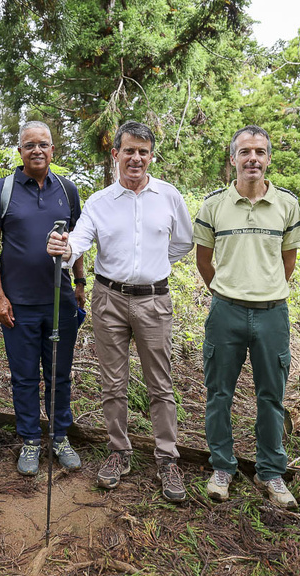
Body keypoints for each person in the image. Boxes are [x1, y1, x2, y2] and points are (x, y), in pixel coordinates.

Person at [47, 121, 194, 502]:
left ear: (151, 156)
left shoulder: (169, 196)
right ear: (116, 154)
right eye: (129, 150)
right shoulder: (100, 201)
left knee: (161, 384)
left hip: (154, 300)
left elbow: (183, 243)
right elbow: (78, 241)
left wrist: (153, 266)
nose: (136, 158)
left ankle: (167, 458)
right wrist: (65, 249)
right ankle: (119, 451)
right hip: (108, 299)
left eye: (143, 152)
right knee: (113, 383)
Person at [193, 125, 300, 507]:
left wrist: (263, 290)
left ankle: (271, 472)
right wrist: (230, 291)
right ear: (233, 159)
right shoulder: (213, 206)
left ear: (268, 158)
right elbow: (204, 262)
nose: (252, 158)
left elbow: (287, 262)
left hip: (273, 314)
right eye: (245, 152)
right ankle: (222, 466)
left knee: (271, 396)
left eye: (259, 151)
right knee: (219, 393)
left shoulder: (287, 205)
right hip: (226, 312)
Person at [0, 121, 86, 476]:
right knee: (24, 376)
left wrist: (81, 281)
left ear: (53, 150)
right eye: (30, 145)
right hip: (19, 304)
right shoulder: (3, 190)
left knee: (59, 374)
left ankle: (59, 437)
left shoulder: (67, 190)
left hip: (59, 302)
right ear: (20, 151)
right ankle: (29, 440)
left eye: (44, 144)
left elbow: (78, 241)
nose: (37, 150)